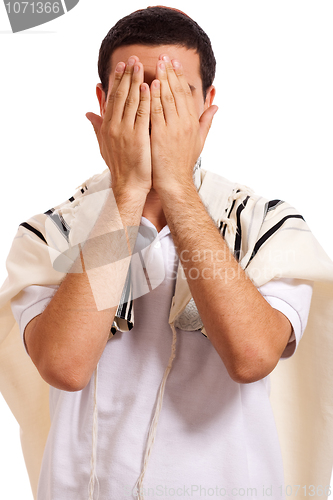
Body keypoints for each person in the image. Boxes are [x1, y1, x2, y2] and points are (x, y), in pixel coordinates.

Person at [1, 6, 333, 500]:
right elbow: (65, 364)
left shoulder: (265, 224)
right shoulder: (53, 232)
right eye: (135, 91)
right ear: (103, 101)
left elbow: (252, 356)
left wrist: (177, 187)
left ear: (206, 107)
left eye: (175, 93)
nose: (153, 111)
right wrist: (128, 195)